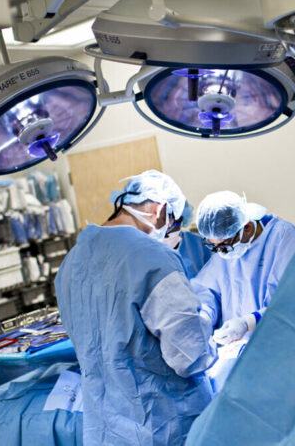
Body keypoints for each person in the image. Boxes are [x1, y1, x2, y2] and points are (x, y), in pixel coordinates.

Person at [54, 170, 217, 445]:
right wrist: (208, 329)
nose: (172, 234)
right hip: (162, 424)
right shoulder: (152, 256)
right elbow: (189, 355)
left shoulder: (70, 264)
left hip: (105, 430)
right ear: (161, 210)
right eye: (174, 225)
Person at [192, 191, 295, 345]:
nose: (220, 251)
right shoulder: (225, 250)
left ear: (248, 227)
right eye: (214, 245)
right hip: (238, 349)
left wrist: (248, 322)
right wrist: (204, 316)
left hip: (280, 345)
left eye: (224, 245)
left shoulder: (283, 238)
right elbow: (207, 290)